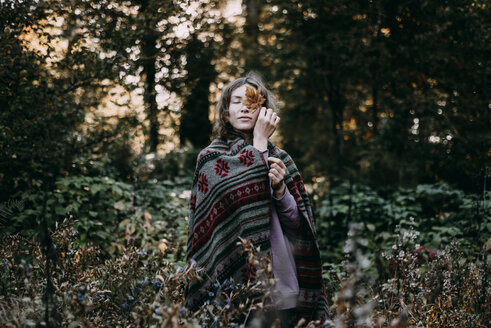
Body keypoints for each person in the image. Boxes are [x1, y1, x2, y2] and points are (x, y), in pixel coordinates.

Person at [185, 72, 328, 326]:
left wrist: (282, 191)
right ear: (225, 111)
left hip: (285, 287)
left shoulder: (281, 158)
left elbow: (298, 226)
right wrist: (260, 143)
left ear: (264, 110)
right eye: (236, 101)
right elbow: (241, 207)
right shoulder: (210, 159)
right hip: (237, 290)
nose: (244, 108)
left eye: (252, 102)